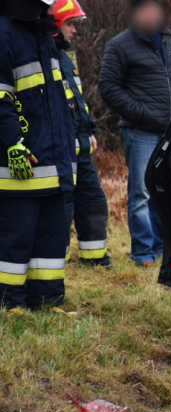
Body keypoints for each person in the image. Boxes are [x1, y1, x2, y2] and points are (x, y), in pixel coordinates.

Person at [99, 0, 171, 267]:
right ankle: (143, 253)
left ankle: (162, 247)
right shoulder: (120, 45)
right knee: (141, 192)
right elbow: (108, 86)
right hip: (140, 132)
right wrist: (140, 113)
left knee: (163, 192)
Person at [0, 0, 76, 314]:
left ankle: (48, 300)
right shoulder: (5, 32)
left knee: (52, 237)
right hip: (22, 163)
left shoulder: (44, 35)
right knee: (15, 238)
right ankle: (9, 302)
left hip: (54, 159)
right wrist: (13, 143)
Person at [52, 0, 112, 267]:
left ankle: (94, 257)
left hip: (80, 148)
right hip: (60, 151)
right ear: (55, 23)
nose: (74, 31)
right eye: (70, 23)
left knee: (93, 201)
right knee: (61, 208)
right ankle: (56, 259)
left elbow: (77, 101)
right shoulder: (43, 56)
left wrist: (89, 132)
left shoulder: (64, 58)